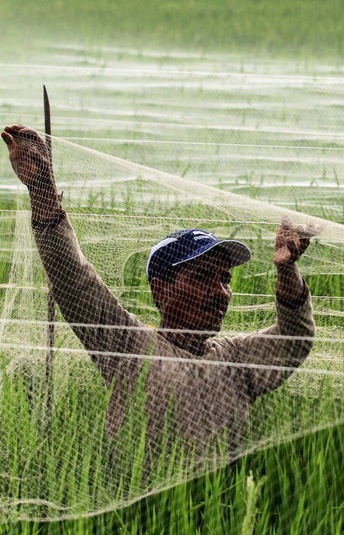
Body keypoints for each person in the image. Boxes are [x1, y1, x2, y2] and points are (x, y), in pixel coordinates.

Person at [2, 124, 317, 453]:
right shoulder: (129, 345)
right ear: (160, 290)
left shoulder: (235, 360)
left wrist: (286, 269)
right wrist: (42, 192)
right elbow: (74, 280)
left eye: (225, 279)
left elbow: (296, 339)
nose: (220, 292)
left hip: (221, 503)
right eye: (200, 277)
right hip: (145, 502)